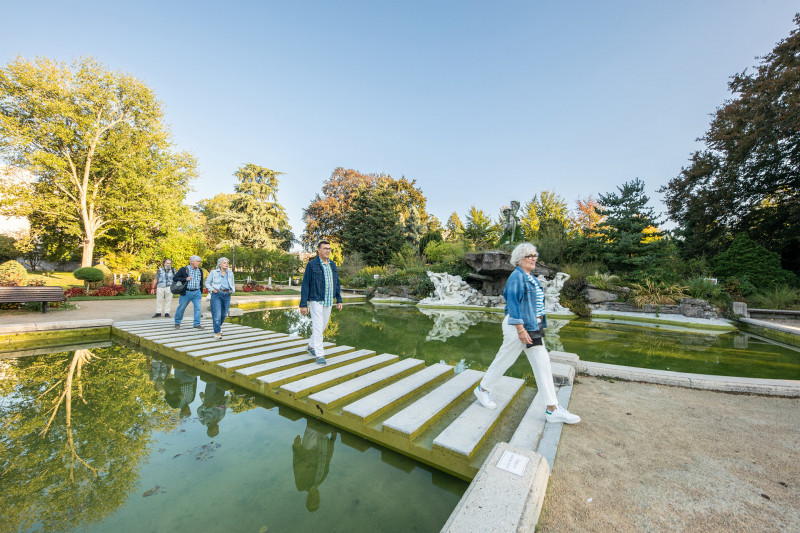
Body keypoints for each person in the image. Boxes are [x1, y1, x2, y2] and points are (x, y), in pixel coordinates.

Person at [473, 242, 580, 425]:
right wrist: (520, 329)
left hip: (532, 325)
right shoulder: (517, 277)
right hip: (519, 326)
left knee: (543, 364)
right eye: (529, 256)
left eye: (535, 255)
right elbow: (512, 303)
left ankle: (552, 409)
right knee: (506, 359)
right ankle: (483, 390)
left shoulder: (531, 278)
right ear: (519, 258)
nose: (534, 258)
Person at [299, 240, 342, 365]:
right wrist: (303, 304)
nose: (327, 251)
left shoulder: (332, 265)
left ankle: (311, 346)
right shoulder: (312, 265)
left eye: (329, 248)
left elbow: (336, 283)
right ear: (319, 250)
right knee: (318, 327)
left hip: (328, 301)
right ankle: (320, 355)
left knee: (322, 326)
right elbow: (305, 284)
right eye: (325, 248)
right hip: (315, 299)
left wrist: (339, 299)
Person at [292, 418, 337, 512]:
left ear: (308, 499)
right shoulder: (321, 480)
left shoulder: (301, 485)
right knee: (323, 421)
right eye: (317, 501)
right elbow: (327, 461)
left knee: (313, 423)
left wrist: (296, 448)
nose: (316, 498)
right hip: (324, 443)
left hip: (309, 448)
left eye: (313, 501)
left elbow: (297, 466)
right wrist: (333, 440)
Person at [205, 256, 235, 340]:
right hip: (217, 294)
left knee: (224, 314)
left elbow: (232, 283)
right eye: (224, 263)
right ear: (219, 264)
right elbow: (207, 283)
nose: (227, 264)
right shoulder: (214, 272)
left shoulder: (230, 273)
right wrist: (212, 290)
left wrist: (232, 290)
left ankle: (218, 327)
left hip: (227, 294)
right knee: (217, 314)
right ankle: (217, 332)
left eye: (227, 263)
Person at [173, 255, 205, 330]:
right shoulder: (184, 269)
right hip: (187, 292)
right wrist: (185, 279)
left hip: (197, 292)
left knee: (198, 309)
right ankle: (177, 322)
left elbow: (201, 281)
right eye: (197, 261)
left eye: (199, 261)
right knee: (181, 308)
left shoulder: (200, 270)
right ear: (191, 261)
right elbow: (175, 278)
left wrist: (200, 291)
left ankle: (196, 324)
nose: (198, 263)